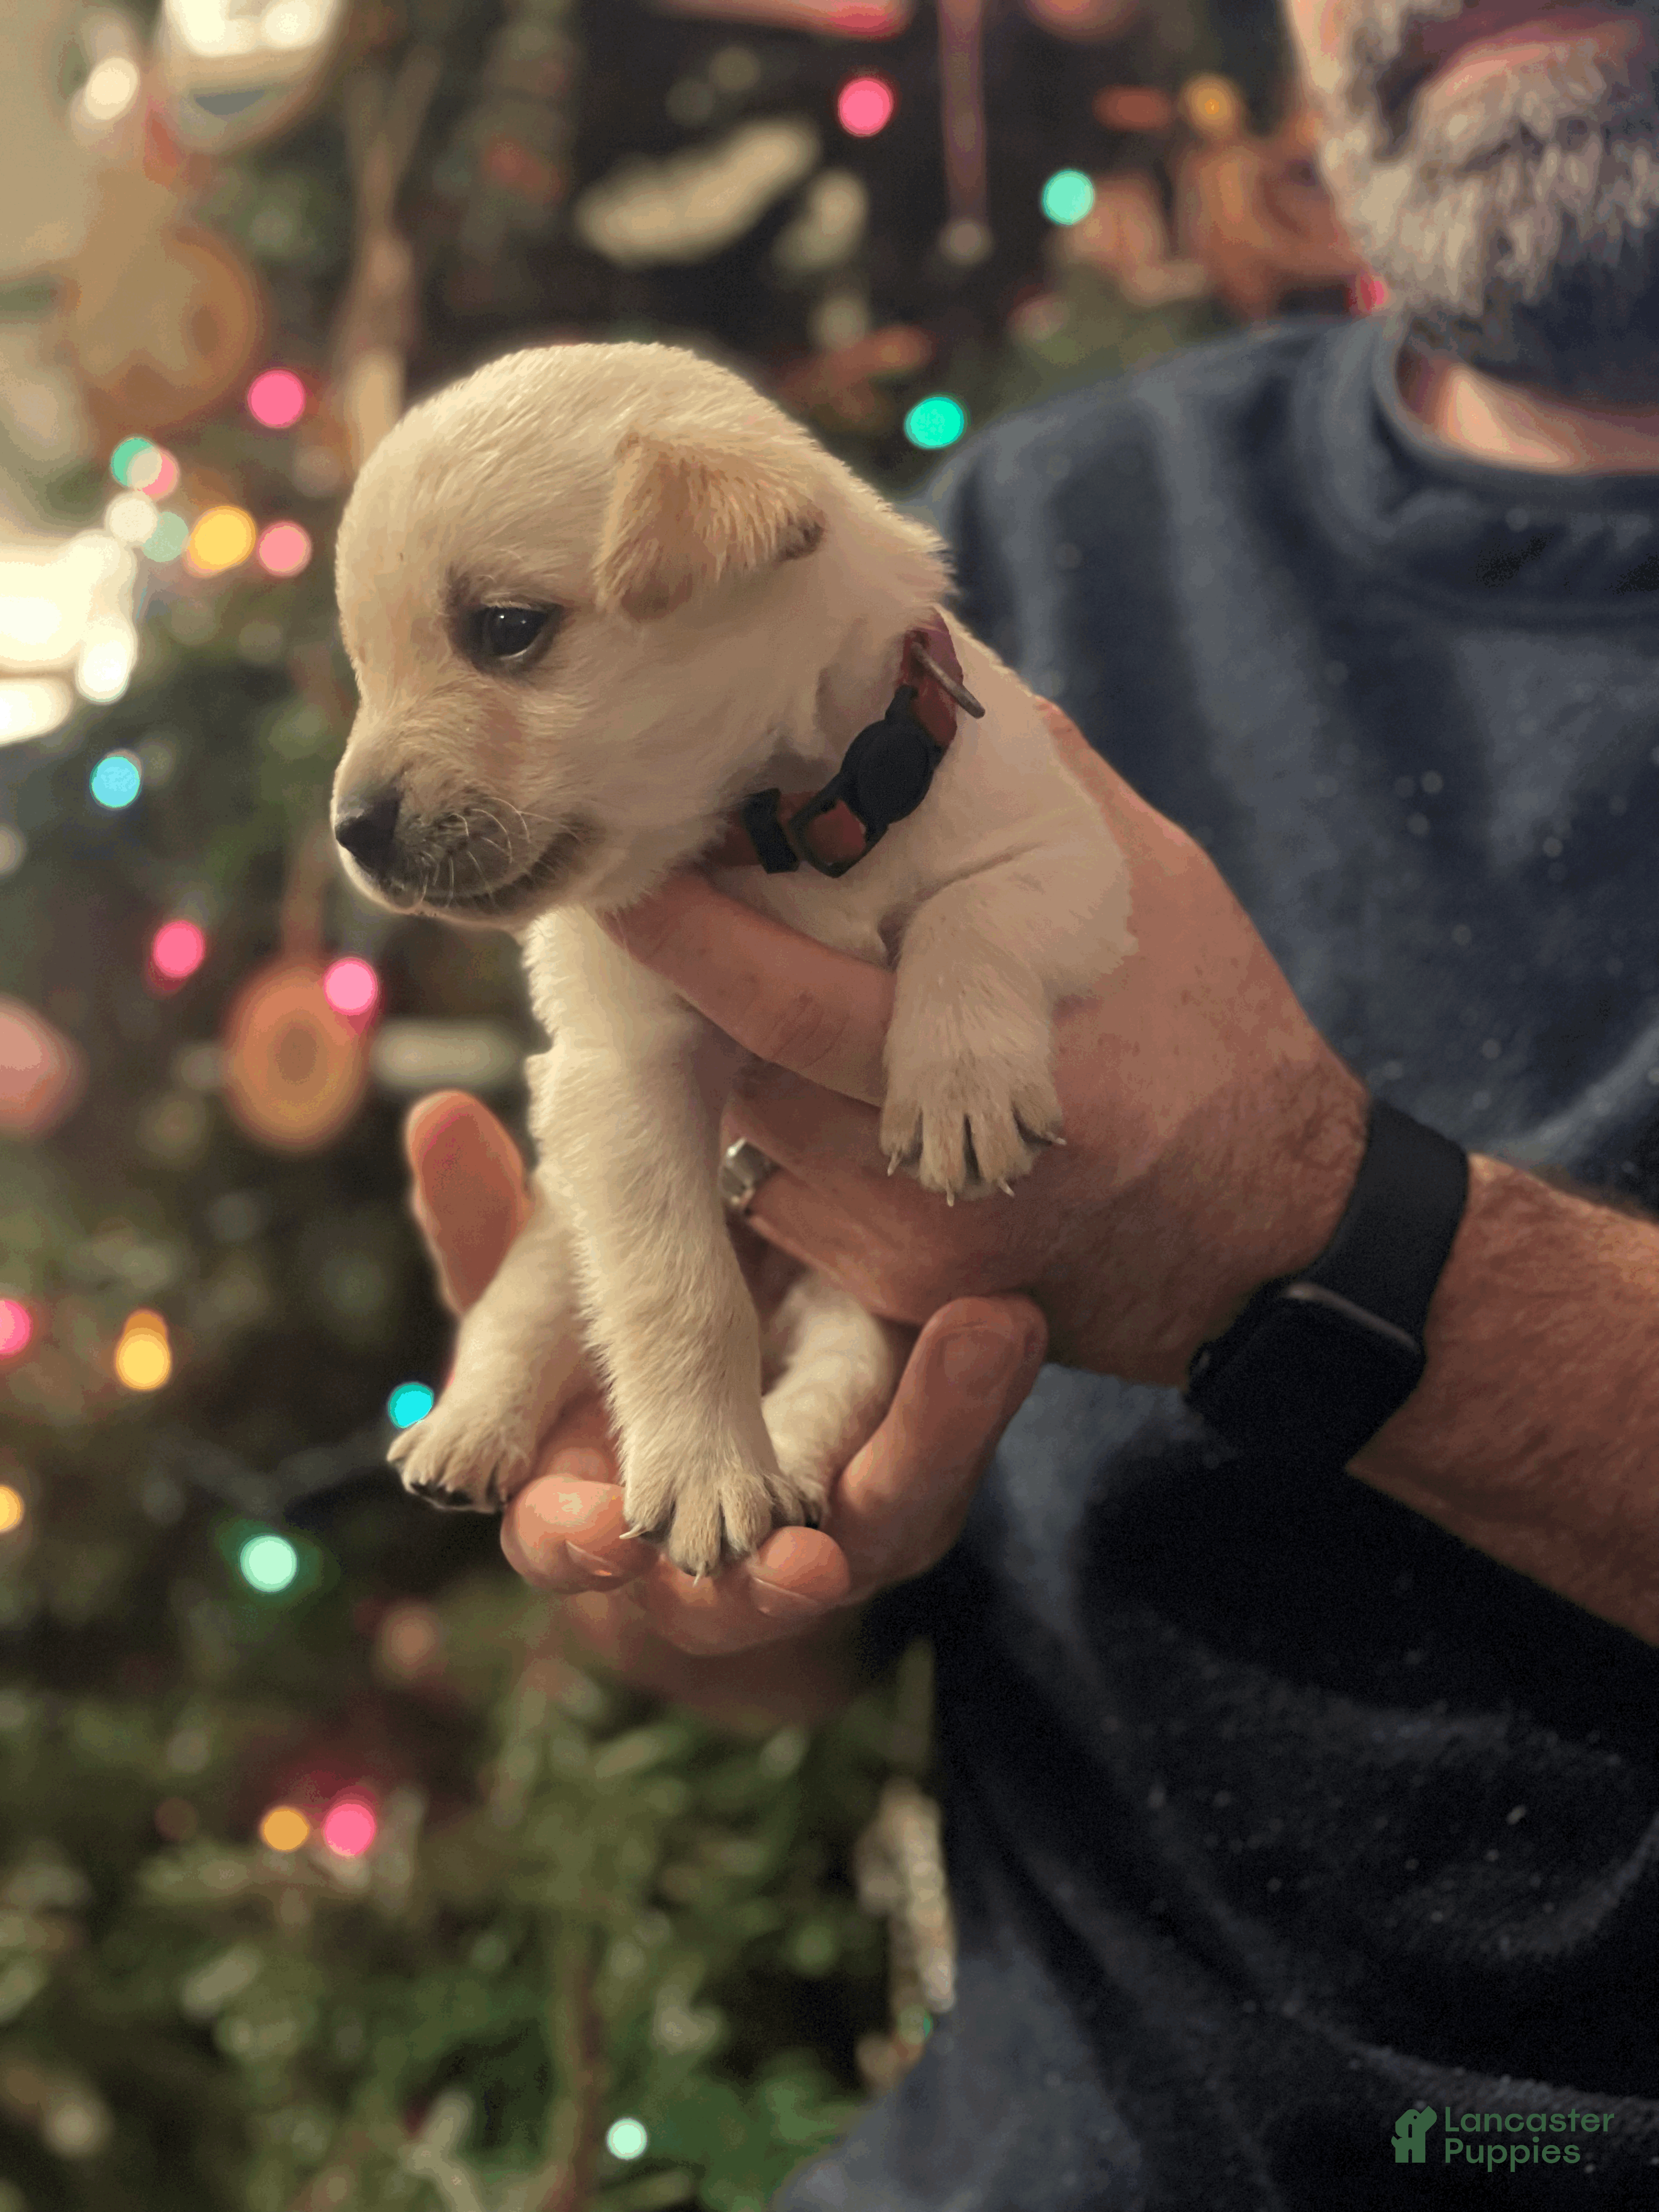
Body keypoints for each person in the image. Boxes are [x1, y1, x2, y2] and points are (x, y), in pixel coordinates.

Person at [401, 0, 1659, 2201]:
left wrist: (1315, 1242)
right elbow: (804, 1623)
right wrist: (687, 1573)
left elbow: (1212, 1203)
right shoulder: (1034, 536)